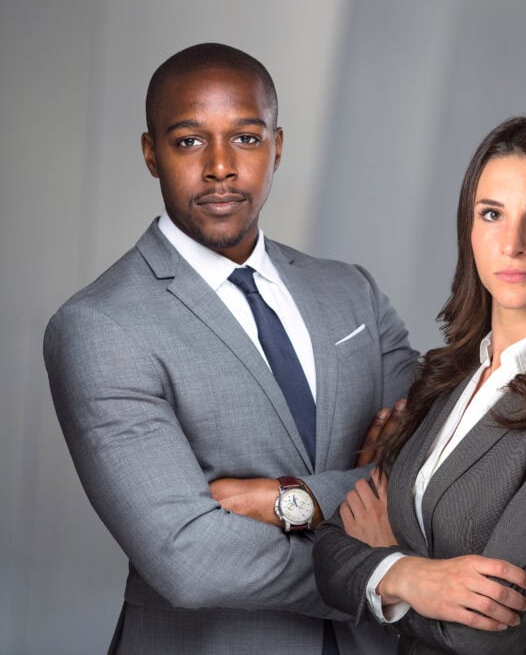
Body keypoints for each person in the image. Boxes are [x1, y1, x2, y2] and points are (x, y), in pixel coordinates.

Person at [43, 43, 417, 654]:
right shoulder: (100, 325)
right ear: (150, 153)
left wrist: (290, 501)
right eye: (190, 141)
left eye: (245, 138)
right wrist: (387, 571)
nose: (221, 166)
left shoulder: (352, 292)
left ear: (277, 145)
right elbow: (190, 559)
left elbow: (442, 470)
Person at [312, 112, 526, 654]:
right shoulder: (446, 377)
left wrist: (387, 568)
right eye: (491, 214)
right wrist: (407, 575)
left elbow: (487, 635)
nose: (512, 243)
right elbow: (329, 552)